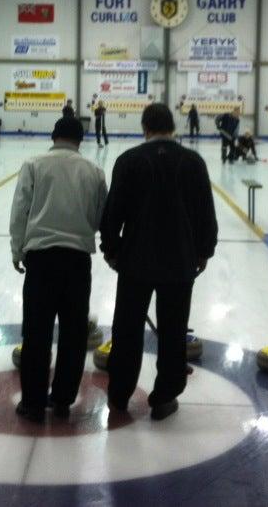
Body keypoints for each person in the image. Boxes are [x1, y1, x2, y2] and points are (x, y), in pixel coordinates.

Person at [100, 104, 218, 421]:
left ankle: (119, 397)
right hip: (179, 262)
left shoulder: (129, 161)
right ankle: (165, 397)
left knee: (126, 331)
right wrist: (204, 251)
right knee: (173, 331)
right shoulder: (193, 162)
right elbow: (205, 212)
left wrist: (111, 249)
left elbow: (113, 213)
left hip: (135, 262)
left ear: (145, 128)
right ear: (172, 127)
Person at [9, 117, 108, 422]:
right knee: (73, 334)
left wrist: (17, 249)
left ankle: (33, 404)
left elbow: (20, 210)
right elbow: (99, 217)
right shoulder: (93, 171)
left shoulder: (34, 164)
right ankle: (63, 400)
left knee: (36, 332)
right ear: (81, 140)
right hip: (77, 261)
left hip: (40, 259)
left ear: (53, 137)